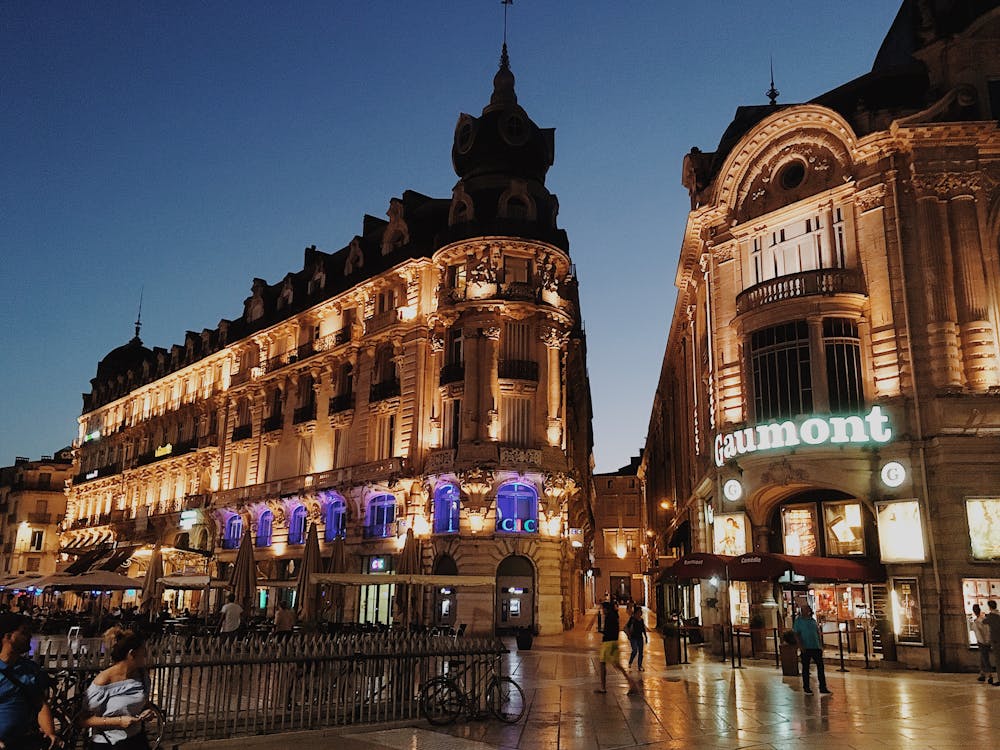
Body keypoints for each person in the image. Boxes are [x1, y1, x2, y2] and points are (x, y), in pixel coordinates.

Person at [79, 628, 155, 749]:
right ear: (132, 654)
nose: (146, 655)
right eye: (143, 652)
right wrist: (118, 721)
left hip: (137, 739)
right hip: (108, 743)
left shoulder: (142, 675)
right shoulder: (103, 680)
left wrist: (147, 712)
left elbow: (144, 704)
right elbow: (84, 720)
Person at [0, 613, 59, 750]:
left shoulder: (30, 668)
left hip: (24, 741)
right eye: (24, 632)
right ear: (8, 637)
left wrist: (50, 733)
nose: (30, 636)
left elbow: (39, 703)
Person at [595, 601, 639, 696]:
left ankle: (603, 687)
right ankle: (631, 683)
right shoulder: (614, 616)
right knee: (617, 665)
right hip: (614, 642)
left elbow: (609, 631)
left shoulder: (609, 617)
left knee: (602, 664)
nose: (602, 611)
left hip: (608, 643)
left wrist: (602, 632)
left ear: (606, 609)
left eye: (603, 608)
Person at [793, 605, 831, 696]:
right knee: (806, 668)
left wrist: (820, 645)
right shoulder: (798, 621)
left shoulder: (812, 621)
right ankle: (806, 687)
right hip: (806, 647)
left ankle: (823, 687)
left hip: (815, 647)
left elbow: (817, 633)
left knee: (820, 667)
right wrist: (801, 646)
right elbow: (796, 634)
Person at [971, 604, 992, 683]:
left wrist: (982, 642)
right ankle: (982, 673)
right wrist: (988, 640)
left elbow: (979, 634)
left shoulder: (976, 622)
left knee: (985, 658)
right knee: (983, 658)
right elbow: (988, 630)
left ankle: (989, 675)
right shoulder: (984, 619)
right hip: (987, 641)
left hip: (982, 642)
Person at [625, 606, 649, 671]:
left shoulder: (641, 620)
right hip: (633, 638)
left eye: (640, 612)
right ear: (635, 613)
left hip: (640, 637)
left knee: (641, 652)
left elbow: (643, 629)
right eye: (638, 612)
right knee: (635, 650)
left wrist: (646, 637)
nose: (640, 613)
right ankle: (630, 661)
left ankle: (640, 665)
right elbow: (626, 627)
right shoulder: (632, 619)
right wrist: (628, 635)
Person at [984, 600, 1000, 685]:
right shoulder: (999, 615)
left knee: (998, 660)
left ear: (990, 607)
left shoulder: (991, 616)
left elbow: (984, 622)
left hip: (996, 641)